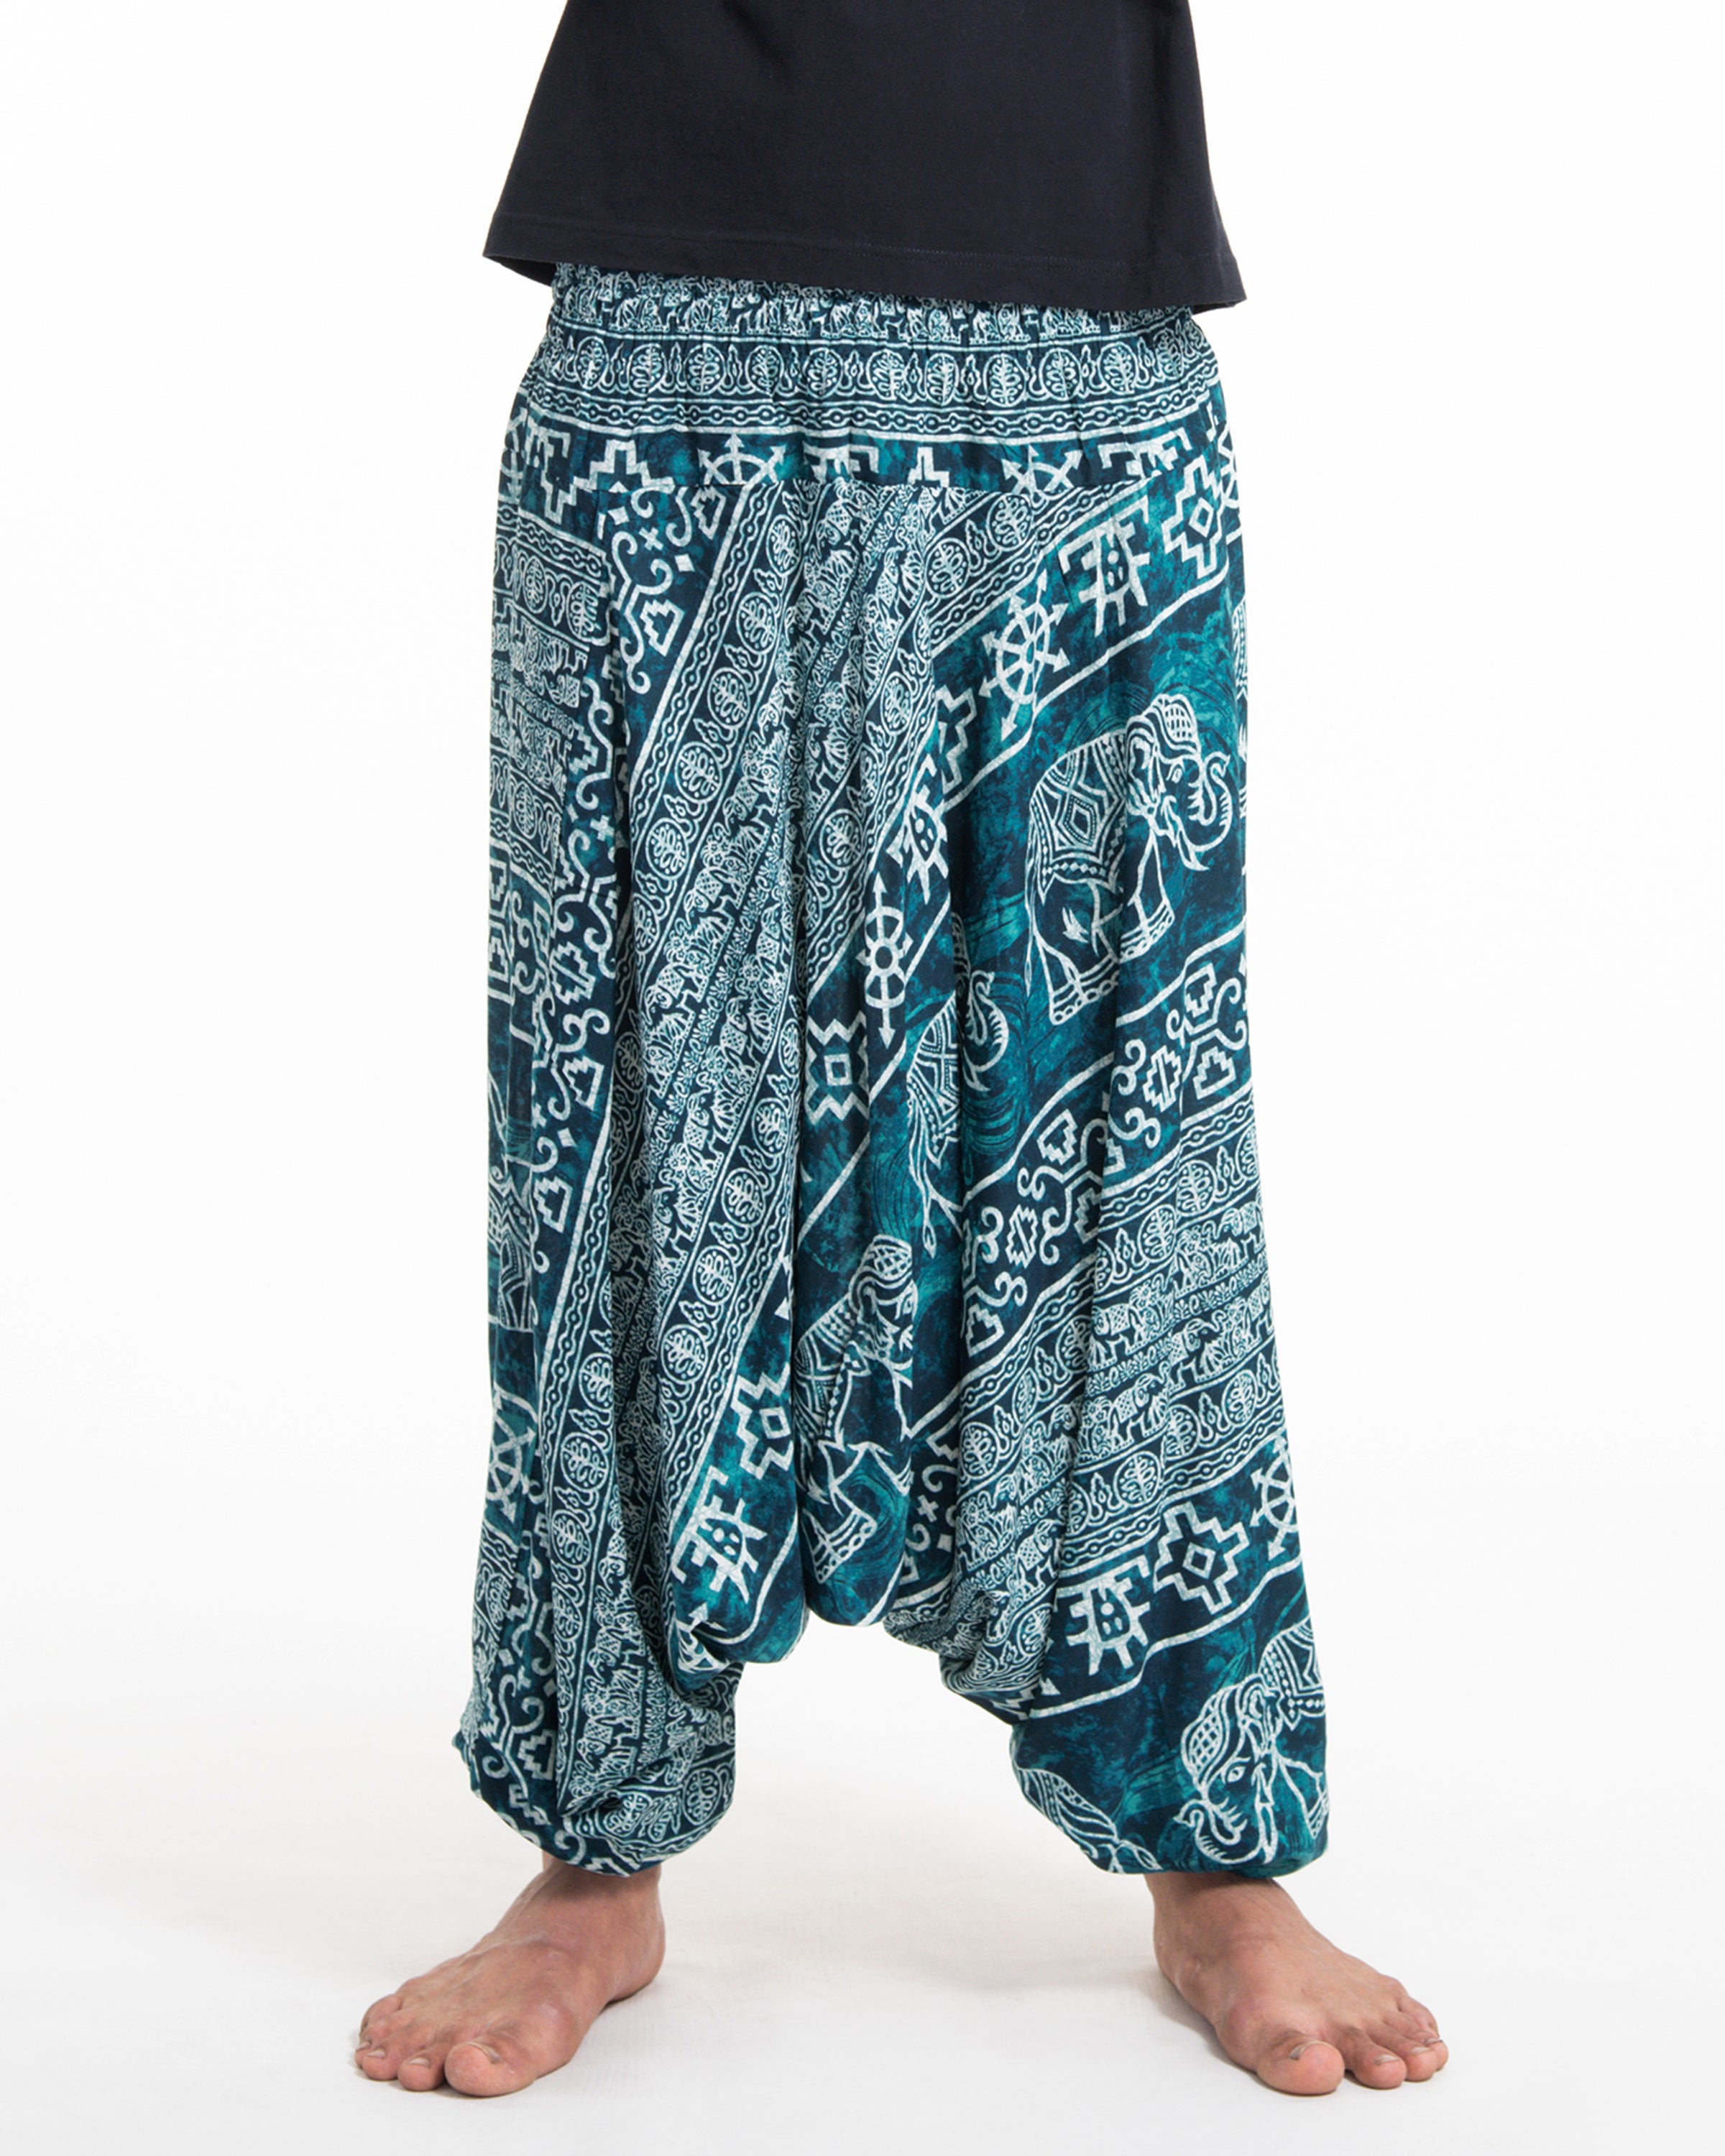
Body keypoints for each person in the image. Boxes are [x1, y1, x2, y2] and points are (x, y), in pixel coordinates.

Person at [356, 1, 1446, 2101]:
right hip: (670, 326)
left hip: (1075, 324)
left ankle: (1212, 1849)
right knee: (631, 1105)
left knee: (1128, 1100)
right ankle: (594, 1847)